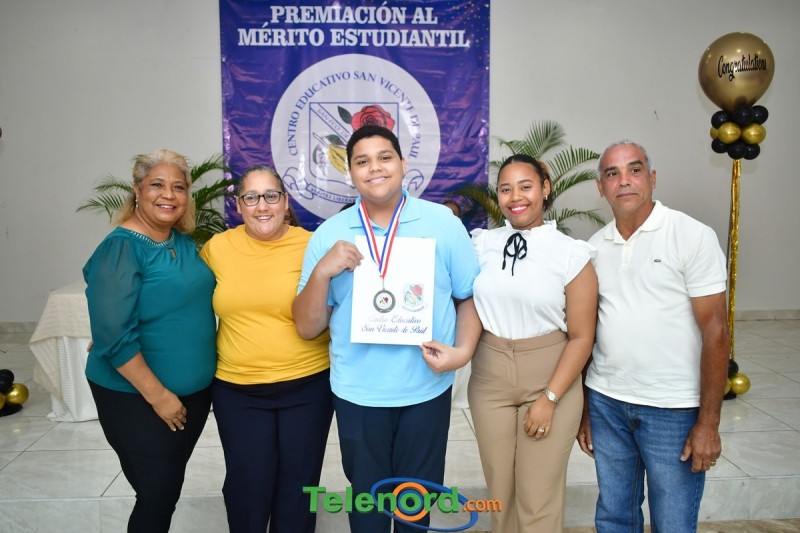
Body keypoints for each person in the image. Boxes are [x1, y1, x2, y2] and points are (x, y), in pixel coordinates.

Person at [292, 124, 481, 533]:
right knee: (368, 508)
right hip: (358, 393)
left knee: (415, 506)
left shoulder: (443, 224)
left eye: (384, 157)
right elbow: (307, 327)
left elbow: (468, 297)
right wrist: (322, 272)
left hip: (426, 388)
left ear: (403, 164)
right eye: (362, 161)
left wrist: (462, 352)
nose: (374, 168)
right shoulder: (329, 234)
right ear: (350, 173)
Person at [578, 140, 730, 532]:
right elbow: (586, 333)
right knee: (614, 517)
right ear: (601, 187)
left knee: (673, 523)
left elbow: (716, 332)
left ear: (653, 177)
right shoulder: (594, 249)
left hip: (673, 409)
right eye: (612, 173)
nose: (624, 181)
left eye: (635, 170)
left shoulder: (691, 236)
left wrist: (708, 423)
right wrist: (586, 409)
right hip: (607, 404)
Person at [83, 149, 216, 532]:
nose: (168, 194)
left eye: (179, 187)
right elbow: (115, 336)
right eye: (157, 184)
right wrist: (159, 397)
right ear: (137, 190)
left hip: (193, 395)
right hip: (137, 398)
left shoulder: (183, 242)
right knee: (157, 496)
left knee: (165, 489)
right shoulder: (121, 247)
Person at [467, 154, 598, 532]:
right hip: (490, 376)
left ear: (545, 188)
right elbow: (464, 301)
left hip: (550, 375)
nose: (515, 197)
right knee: (500, 495)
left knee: (537, 497)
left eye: (525, 186)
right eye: (506, 189)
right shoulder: (482, 244)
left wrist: (550, 398)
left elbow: (582, 337)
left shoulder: (571, 253)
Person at [200, 166, 332, 533]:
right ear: (239, 205)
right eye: (251, 197)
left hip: (308, 386)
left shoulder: (313, 245)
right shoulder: (218, 248)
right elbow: (181, 296)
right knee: (248, 486)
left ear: (285, 202)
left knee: (299, 488)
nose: (262, 206)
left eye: (271, 196)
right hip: (238, 390)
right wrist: (138, 326)